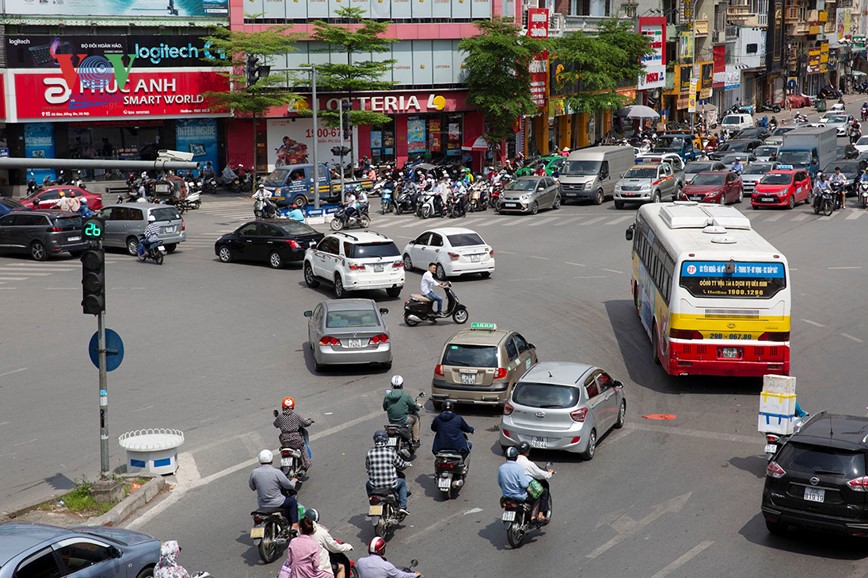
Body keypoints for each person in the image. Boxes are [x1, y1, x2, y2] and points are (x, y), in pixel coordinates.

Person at [249, 449, 300, 532]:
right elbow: (289, 486)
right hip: (277, 503)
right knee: (292, 501)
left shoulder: (254, 472)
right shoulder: (277, 472)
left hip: (262, 504)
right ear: (271, 460)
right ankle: (294, 525)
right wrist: (294, 480)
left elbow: (252, 487)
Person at [365, 430, 411, 516]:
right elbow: (400, 465)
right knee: (402, 483)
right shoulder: (391, 452)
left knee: (367, 484)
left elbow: (368, 466)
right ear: (386, 440)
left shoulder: (369, 453)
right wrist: (405, 464)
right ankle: (402, 507)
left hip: (374, 486)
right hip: (391, 485)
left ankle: (372, 502)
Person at [305, 508, 354, 578]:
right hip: (319, 569)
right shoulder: (320, 532)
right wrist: (347, 547)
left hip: (304, 567)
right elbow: (334, 547)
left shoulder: (300, 533)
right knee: (341, 567)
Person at [497, 446, 541, 522]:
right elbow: (524, 485)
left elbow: (500, 483)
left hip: (506, 496)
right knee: (537, 498)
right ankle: (533, 517)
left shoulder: (501, 468)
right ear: (516, 457)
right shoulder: (518, 468)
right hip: (520, 497)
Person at [274, 396, 314, 472]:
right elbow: (305, 423)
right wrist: (310, 421)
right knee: (303, 447)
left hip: (284, 440)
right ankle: (306, 464)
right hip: (296, 440)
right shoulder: (296, 416)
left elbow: (275, 424)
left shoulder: (280, 416)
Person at [516, 441, 553, 522]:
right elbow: (540, 474)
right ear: (527, 451)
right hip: (524, 488)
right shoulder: (529, 464)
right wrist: (549, 473)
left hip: (514, 488)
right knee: (544, 492)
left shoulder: (513, 462)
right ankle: (540, 515)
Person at [383, 375, 421, 447]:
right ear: (402, 385)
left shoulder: (387, 396)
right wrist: (417, 407)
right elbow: (415, 407)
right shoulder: (405, 395)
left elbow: (385, 407)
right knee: (416, 418)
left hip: (392, 421)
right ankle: (416, 440)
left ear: (392, 385)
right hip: (403, 420)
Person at [356, 537, 421, 578]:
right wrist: (415, 575)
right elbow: (402, 576)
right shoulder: (386, 566)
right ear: (382, 550)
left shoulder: (360, 562)